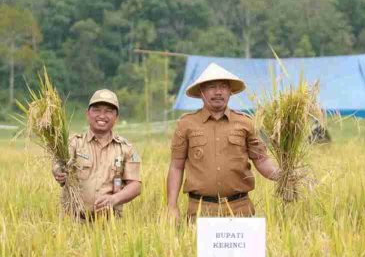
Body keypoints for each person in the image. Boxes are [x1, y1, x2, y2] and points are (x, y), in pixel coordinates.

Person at [166, 63, 279, 222]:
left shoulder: (246, 123)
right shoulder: (186, 124)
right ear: (201, 92)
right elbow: (176, 166)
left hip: (240, 209)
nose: (218, 92)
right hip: (200, 209)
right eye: (212, 87)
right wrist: (172, 206)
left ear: (230, 91)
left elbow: (261, 160)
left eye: (223, 87)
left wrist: (283, 175)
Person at [53, 89, 141, 220]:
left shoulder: (126, 149)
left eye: (108, 111)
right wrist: (59, 171)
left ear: (116, 118)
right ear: (87, 114)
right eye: (96, 110)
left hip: (111, 223)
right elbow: (59, 163)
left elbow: (135, 186)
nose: (102, 115)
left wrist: (114, 199)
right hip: (74, 221)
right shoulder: (73, 143)